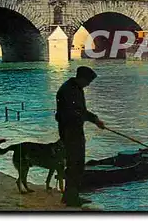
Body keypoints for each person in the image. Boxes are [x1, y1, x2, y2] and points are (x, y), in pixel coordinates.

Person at [55, 66, 105, 207]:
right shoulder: (68, 90)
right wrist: (94, 120)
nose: (88, 84)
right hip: (70, 132)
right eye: (88, 82)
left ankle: (71, 195)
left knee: (77, 164)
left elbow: (81, 111)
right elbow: (74, 113)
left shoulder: (75, 88)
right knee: (75, 165)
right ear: (81, 78)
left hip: (75, 131)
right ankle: (71, 198)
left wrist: (95, 119)